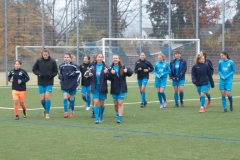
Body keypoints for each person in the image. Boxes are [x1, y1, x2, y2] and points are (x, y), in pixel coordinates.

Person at [32, 48, 58, 119]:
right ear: (42, 55)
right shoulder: (38, 61)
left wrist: (51, 75)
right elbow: (34, 69)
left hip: (49, 82)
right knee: (42, 99)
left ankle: (47, 113)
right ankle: (45, 109)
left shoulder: (52, 61)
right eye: (44, 55)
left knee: (47, 97)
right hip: (41, 82)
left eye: (46, 55)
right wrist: (39, 74)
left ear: (49, 54)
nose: (45, 56)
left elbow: (55, 71)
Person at [84, 53, 109, 124]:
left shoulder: (105, 67)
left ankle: (101, 116)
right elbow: (85, 74)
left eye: (101, 57)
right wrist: (89, 75)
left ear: (103, 58)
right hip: (94, 87)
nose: (100, 58)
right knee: (96, 103)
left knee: (101, 104)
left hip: (103, 87)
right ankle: (97, 118)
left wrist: (107, 73)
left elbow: (110, 76)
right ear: (96, 58)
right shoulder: (92, 67)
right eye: (99, 57)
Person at [108, 55, 133, 123]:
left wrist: (126, 71)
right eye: (114, 58)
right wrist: (111, 73)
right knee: (116, 104)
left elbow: (131, 73)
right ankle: (117, 112)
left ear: (119, 59)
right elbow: (107, 77)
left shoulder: (123, 66)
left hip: (122, 88)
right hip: (114, 88)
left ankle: (120, 117)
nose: (115, 59)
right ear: (112, 59)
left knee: (120, 103)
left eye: (116, 58)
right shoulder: (110, 68)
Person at [58, 53, 81, 118]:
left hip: (72, 84)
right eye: (65, 57)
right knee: (65, 97)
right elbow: (59, 73)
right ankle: (65, 112)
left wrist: (72, 74)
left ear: (70, 58)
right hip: (64, 84)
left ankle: (72, 111)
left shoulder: (74, 66)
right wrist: (60, 78)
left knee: (71, 99)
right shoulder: (61, 66)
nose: (66, 58)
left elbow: (78, 73)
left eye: (67, 57)